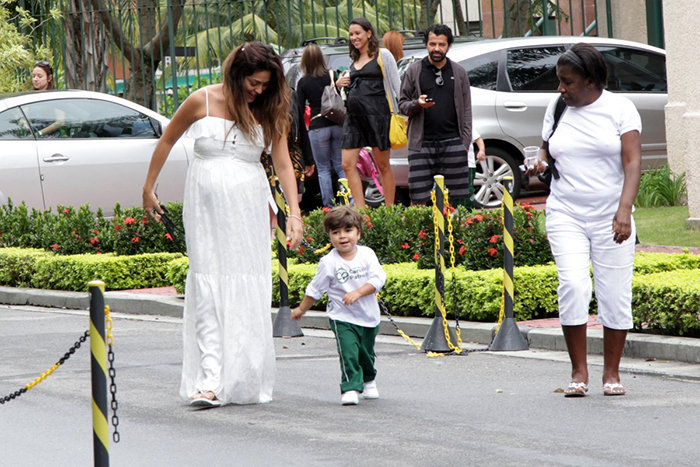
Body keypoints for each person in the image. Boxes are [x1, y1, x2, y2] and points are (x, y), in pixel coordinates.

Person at [142, 42, 303, 407]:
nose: (258, 90)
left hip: (247, 206)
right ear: (235, 73)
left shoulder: (268, 109)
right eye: (253, 82)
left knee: (247, 284)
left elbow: (281, 164)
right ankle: (211, 379)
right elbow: (167, 140)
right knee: (208, 283)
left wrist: (293, 211)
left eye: (264, 84)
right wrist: (148, 188)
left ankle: (242, 375)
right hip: (204, 207)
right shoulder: (203, 99)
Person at [533, 43, 642, 397]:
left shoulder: (620, 109)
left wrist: (624, 210)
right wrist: (541, 161)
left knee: (614, 293)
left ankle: (612, 373)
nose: (561, 89)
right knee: (574, 286)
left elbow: (632, 162)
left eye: (568, 82)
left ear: (592, 81)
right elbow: (546, 147)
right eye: (559, 81)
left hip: (612, 215)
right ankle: (579, 371)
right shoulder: (557, 107)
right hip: (566, 211)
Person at [290, 206, 387, 406]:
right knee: (348, 351)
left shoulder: (367, 254)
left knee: (366, 353)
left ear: (358, 233)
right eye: (336, 232)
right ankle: (350, 386)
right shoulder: (328, 262)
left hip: (368, 316)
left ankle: (369, 379)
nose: (342, 237)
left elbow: (379, 278)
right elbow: (315, 290)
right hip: (342, 317)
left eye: (348, 230)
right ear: (329, 236)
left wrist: (358, 292)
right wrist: (301, 309)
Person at [398, 24, 472, 206]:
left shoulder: (459, 72)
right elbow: (402, 105)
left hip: (453, 142)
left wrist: (465, 142)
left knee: (454, 200)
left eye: (441, 44)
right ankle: (422, 233)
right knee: (418, 198)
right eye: (432, 44)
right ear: (426, 44)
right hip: (421, 144)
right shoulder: (414, 70)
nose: (436, 49)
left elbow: (467, 109)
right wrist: (417, 104)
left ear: (448, 46)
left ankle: (452, 233)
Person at [336, 17, 400, 209]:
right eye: (351, 34)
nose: (354, 38)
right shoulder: (353, 59)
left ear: (369, 33)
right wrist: (339, 84)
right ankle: (361, 212)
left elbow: (396, 86)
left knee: (383, 165)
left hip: (378, 116)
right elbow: (350, 88)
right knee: (347, 164)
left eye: (358, 33)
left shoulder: (383, 54)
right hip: (354, 117)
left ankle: (390, 211)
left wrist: (401, 111)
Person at [296, 43, 345, 207]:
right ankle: (347, 200)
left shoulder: (303, 83)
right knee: (339, 166)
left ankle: (329, 207)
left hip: (318, 127)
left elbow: (299, 109)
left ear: (305, 61)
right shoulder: (330, 75)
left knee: (323, 169)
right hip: (337, 123)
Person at [31, 60, 64, 137]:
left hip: (51, 140)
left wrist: (40, 133)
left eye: (40, 76)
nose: (35, 79)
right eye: (33, 76)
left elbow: (61, 121)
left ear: (49, 78)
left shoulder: (55, 97)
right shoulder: (31, 97)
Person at [467, 128, 486, 209]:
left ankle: (468, 211)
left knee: (468, 189)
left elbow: (478, 139)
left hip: (468, 164)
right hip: (452, 164)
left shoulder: (466, 124)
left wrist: (481, 151)